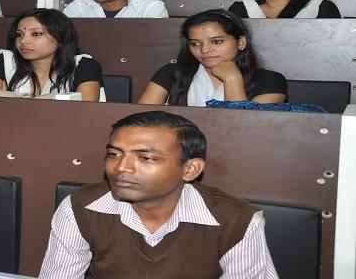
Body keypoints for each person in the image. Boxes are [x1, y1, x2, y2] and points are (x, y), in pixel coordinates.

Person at [39, 111, 278, 278]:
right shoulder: (81, 207)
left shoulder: (236, 221)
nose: (121, 167)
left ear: (190, 169)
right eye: (114, 154)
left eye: (146, 158)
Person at [136, 9, 287, 107]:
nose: (204, 50)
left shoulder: (270, 81)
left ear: (241, 42)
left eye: (216, 42)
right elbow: (139, 121)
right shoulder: (171, 72)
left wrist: (232, 79)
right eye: (195, 43)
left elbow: (244, 128)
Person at [0, 9, 104, 100]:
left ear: (60, 37)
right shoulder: (7, 61)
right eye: (19, 35)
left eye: (36, 34)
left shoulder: (84, 65)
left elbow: (84, 113)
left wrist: (10, 103)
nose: (23, 41)